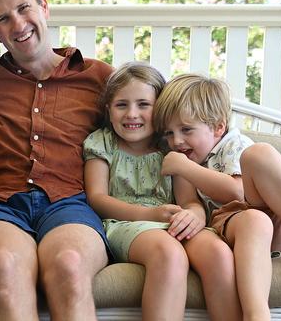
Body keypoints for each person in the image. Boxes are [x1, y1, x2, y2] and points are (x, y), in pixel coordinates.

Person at [0, 0, 113, 320]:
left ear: (43, 5)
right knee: (3, 265)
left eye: (23, 8)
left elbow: (158, 126)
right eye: (2, 19)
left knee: (69, 263)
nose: (17, 25)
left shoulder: (100, 77)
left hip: (71, 203)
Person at [153, 73, 281, 320]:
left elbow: (236, 191)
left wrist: (184, 167)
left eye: (186, 130)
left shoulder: (230, 146)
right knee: (254, 220)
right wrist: (190, 207)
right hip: (237, 227)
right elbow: (190, 202)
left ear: (218, 127)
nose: (176, 141)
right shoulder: (182, 160)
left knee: (259, 154)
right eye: (168, 133)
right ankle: (257, 314)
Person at [83, 62, 241, 320]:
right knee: (169, 253)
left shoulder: (173, 146)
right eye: (122, 105)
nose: (132, 114)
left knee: (218, 252)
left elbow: (189, 201)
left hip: (171, 222)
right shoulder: (102, 143)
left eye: (144, 105)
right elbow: (97, 199)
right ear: (108, 110)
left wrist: (195, 216)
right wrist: (151, 214)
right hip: (124, 224)